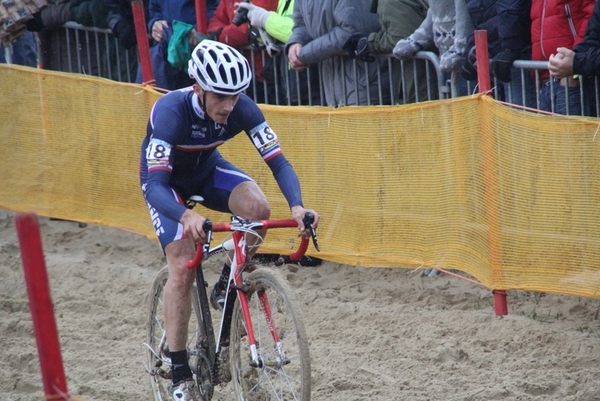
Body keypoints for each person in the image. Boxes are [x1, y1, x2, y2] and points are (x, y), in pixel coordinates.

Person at [139, 40, 320, 400]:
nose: (229, 105)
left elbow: (278, 162)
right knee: (182, 265)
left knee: (258, 211)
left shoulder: (242, 109)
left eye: (235, 96)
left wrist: (297, 206)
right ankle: (178, 373)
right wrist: (186, 213)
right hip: (166, 184)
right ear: (199, 89)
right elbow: (156, 183)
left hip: (208, 171)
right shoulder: (170, 112)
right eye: (220, 97)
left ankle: (227, 283)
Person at [285, 0, 392, 106]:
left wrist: (304, 54)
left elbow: (350, 31)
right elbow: (301, 23)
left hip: (365, 81)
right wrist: (296, 42)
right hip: (334, 86)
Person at [342, 0, 434, 104]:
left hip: (419, 86)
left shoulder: (389, 1)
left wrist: (370, 42)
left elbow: (400, 39)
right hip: (420, 83)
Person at [235, 0, 322, 105]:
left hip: (314, 80)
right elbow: (279, 36)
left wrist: (264, 18)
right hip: (290, 80)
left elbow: (303, 32)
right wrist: (254, 20)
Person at [207, 0, 279, 103]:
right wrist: (222, 34)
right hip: (242, 72)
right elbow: (215, 22)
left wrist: (221, 35)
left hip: (267, 72)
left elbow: (250, 28)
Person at [145, 0, 220, 89]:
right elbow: (154, 8)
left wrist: (197, 29)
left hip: (199, 50)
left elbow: (218, 8)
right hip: (166, 50)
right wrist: (155, 22)